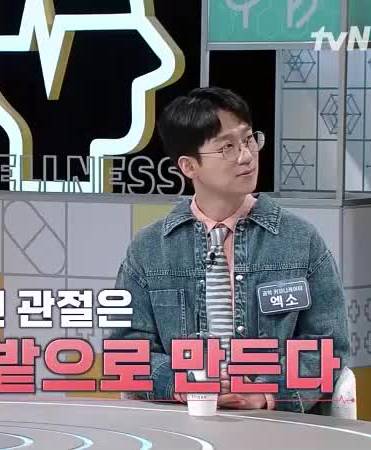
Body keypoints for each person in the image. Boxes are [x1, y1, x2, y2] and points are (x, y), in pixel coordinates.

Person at [111, 87, 349, 413]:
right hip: (182, 419)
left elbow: (328, 344)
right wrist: (184, 383)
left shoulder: (299, 240)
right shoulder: (150, 248)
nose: (246, 156)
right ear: (189, 166)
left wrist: (264, 393)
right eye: (227, 147)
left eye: (248, 140)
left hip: (273, 422)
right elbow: (126, 349)